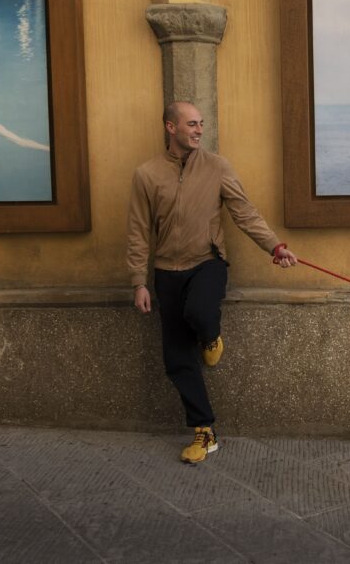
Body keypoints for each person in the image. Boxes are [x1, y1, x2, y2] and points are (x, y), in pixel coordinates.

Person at [126, 100, 297, 464]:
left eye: (201, 123)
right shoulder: (147, 174)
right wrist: (138, 280)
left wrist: (275, 246)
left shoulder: (217, 167)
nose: (199, 130)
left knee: (201, 312)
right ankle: (204, 432)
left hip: (207, 263)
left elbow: (245, 212)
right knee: (176, 359)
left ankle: (210, 335)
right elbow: (139, 230)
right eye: (191, 124)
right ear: (171, 128)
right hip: (166, 272)